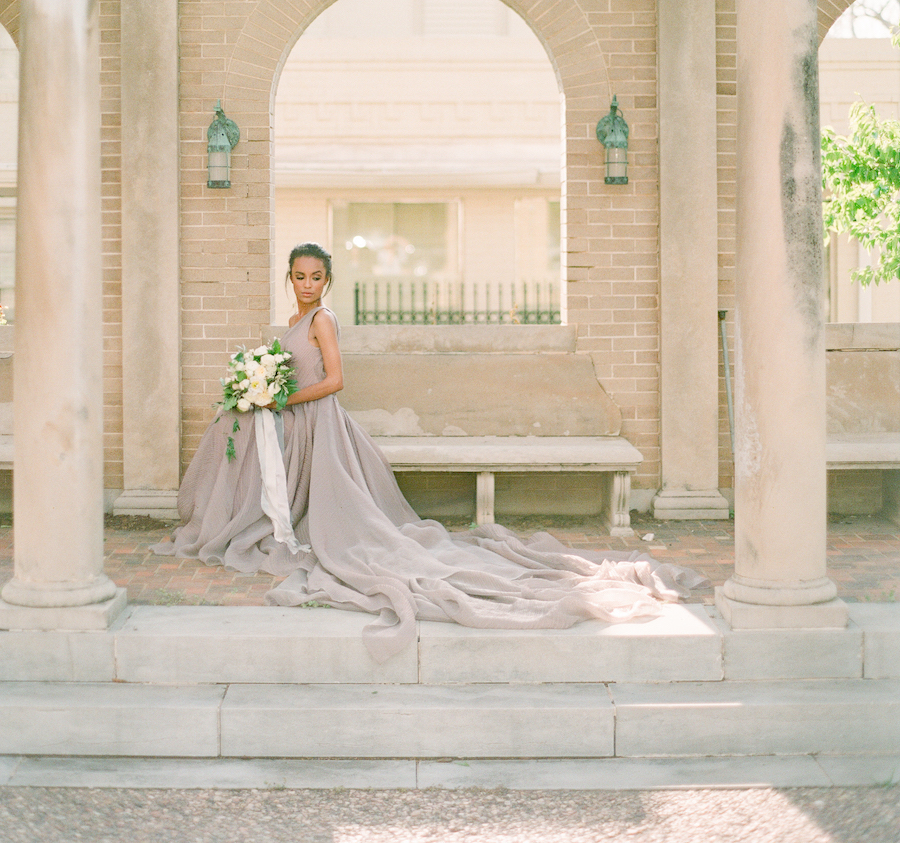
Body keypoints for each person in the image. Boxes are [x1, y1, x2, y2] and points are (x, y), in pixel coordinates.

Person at [155, 242, 705, 662]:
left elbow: (336, 380)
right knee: (236, 427)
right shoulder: (298, 320)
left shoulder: (321, 320)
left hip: (316, 419)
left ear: (328, 281)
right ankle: (253, 519)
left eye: (315, 277)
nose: (306, 284)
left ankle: (274, 524)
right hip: (296, 418)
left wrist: (282, 397)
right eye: (298, 277)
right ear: (289, 279)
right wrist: (264, 391)